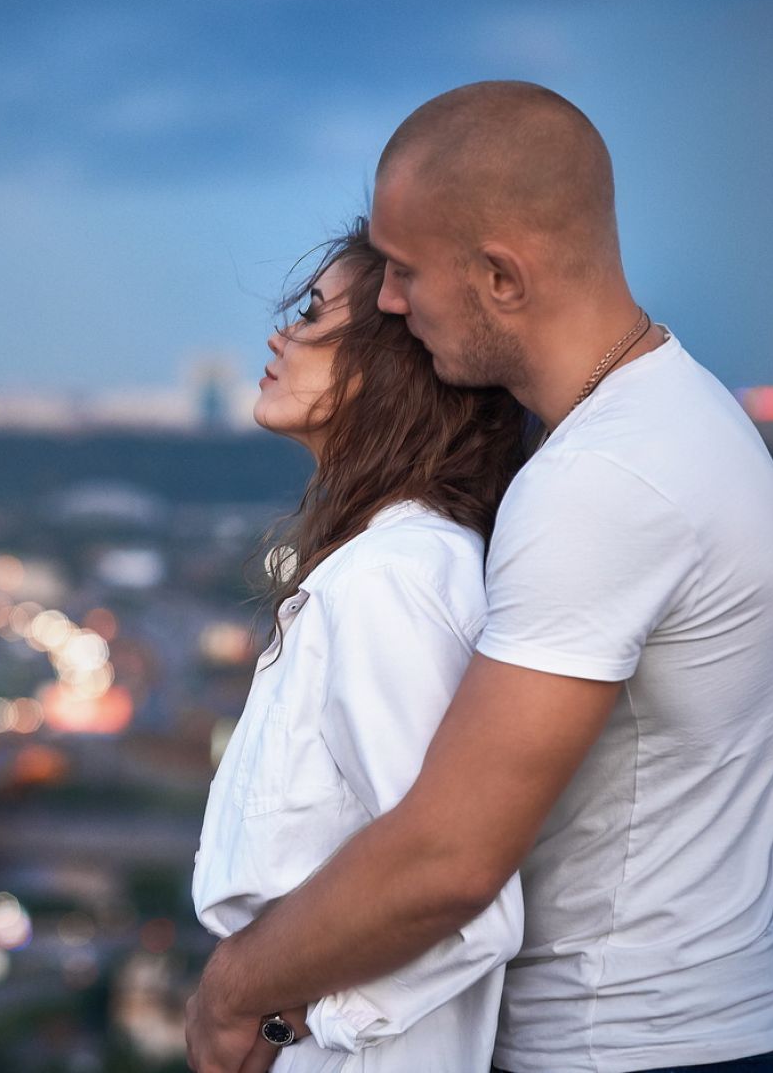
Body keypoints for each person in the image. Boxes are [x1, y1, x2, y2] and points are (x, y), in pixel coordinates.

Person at [186, 81, 773, 1073]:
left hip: (627, 1052)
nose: (390, 303)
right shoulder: (669, 419)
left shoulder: (602, 480)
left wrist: (237, 993)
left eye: (403, 272)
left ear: (501, 278)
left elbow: (449, 863)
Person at [192, 219, 532, 1071]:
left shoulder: (394, 580)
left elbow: (456, 892)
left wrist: (264, 1021)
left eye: (312, 313)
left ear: (396, 364)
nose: (279, 334)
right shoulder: (387, 565)